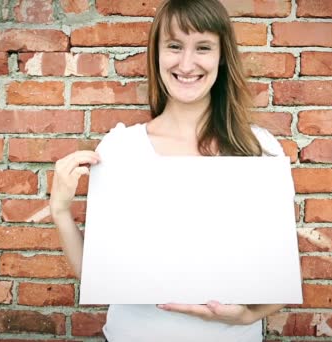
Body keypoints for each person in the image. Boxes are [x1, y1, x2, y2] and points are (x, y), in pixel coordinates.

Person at [50, 0, 290, 340]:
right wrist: (60, 209)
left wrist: (245, 316)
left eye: (203, 47)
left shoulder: (261, 149)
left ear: (222, 56)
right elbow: (97, 275)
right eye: (174, 46)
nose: (187, 63)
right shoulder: (120, 149)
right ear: (157, 54)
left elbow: (278, 273)